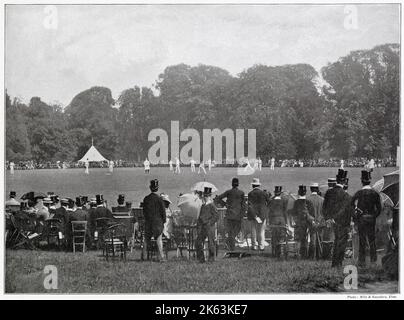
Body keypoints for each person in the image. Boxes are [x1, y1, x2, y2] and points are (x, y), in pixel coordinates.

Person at [351, 170, 382, 267]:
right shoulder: (375, 193)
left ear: (362, 181)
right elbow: (379, 208)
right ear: (370, 181)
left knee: (362, 240)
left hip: (362, 218)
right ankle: (373, 260)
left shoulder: (359, 193)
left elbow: (351, 205)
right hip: (371, 218)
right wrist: (374, 216)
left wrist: (356, 216)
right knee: (372, 240)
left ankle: (362, 261)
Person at [323, 169, 352, 267]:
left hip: (331, 221)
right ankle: (338, 263)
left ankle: (335, 263)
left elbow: (325, 207)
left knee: (336, 241)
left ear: (336, 180)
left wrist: (328, 218)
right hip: (342, 222)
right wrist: (334, 218)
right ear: (344, 182)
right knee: (341, 243)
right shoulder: (346, 196)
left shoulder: (328, 192)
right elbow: (343, 210)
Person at [216, 178, 246, 251]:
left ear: (232, 184)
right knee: (236, 230)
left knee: (230, 232)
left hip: (229, 215)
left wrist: (225, 204)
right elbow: (244, 206)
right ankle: (231, 246)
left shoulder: (228, 192)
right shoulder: (241, 193)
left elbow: (217, 198)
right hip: (238, 216)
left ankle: (230, 244)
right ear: (238, 184)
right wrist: (242, 214)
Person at [142, 179, 166, 261]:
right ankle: (161, 257)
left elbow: (144, 211)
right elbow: (163, 212)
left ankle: (144, 256)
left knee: (146, 239)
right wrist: (163, 221)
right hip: (157, 223)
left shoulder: (146, 198)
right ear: (157, 188)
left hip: (148, 222)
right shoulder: (160, 199)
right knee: (159, 239)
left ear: (150, 188)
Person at [291, 185, 315, 259]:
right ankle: (309, 255)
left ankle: (301, 254)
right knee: (310, 238)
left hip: (299, 222)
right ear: (305, 192)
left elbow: (294, 213)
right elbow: (312, 213)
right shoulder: (309, 202)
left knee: (301, 239)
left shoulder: (296, 202)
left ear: (298, 192)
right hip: (308, 221)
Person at [195, 187, 219, 263]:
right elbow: (200, 217)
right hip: (202, 226)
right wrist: (198, 226)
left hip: (209, 226)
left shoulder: (212, 205)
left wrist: (210, 223)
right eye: (205, 195)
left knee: (211, 243)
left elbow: (216, 216)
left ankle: (211, 259)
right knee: (198, 242)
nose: (205, 197)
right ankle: (201, 259)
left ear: (210, 196)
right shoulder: (203, 206)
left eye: (207, 196)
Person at [247, 178, 270, 251]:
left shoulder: (250, 194)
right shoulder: (264, 193)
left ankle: (254, 246)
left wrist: (255, 216)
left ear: (252, 186)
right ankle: (261, 246)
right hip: (262, 215)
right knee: (261, 231)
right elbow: (269, 203)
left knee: (253, 231)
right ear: (259, 185)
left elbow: (250, 206)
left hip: (253, 215)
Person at [267, 186, 288, 258]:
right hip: (282, 220)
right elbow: (285, 212)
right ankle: (281, 252)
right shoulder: (284, 200)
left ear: (274, 193)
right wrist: (286, 222)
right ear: (280, 193)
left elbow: (269, 212)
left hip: (273, 220)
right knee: (282, 236)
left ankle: (274, 253)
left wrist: (269, 222)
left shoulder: (271, 200)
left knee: (274, 236)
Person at [306, 183, 325, 259]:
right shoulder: (322, 199)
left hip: (312, 223)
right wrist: (319, 221)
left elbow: (306, 212)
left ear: (310, 189)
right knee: (320, 239)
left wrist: (312, 220)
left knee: (313, 239)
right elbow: (324, 212)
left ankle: (311, 257)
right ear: (317, 189)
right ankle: (319, 256)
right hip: (320, 222)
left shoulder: (307, 199)